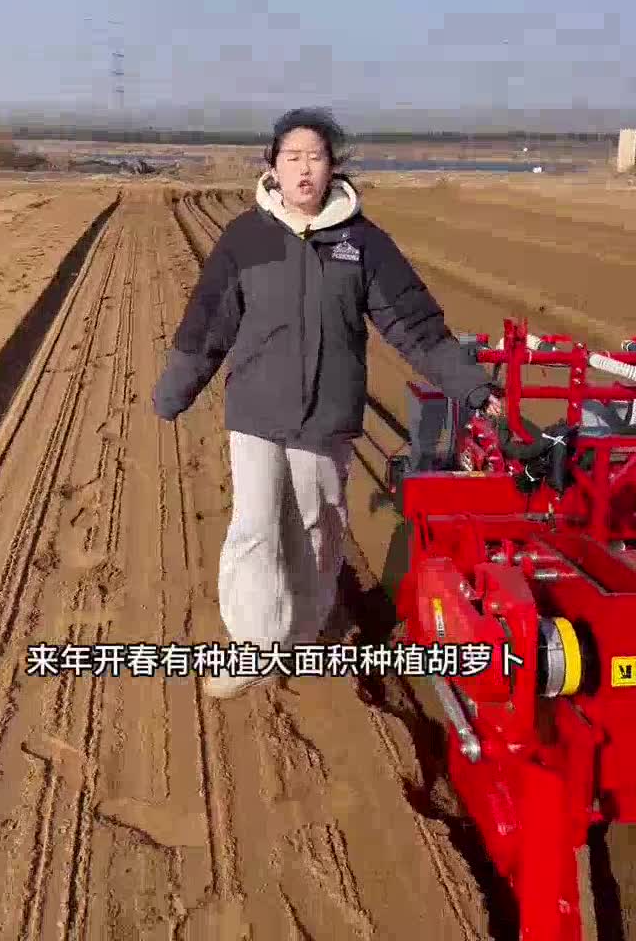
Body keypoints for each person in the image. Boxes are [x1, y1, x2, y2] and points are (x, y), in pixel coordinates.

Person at [152, 107, 500, 699]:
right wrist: (174, 391)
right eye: (292, 157)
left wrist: (472, 386)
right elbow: (208, 323)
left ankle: (302, 634)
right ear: (273, 167)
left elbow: (414, 326)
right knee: (255, 528)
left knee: (317, 529)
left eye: (315, 157)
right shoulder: (246, 238)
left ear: (333, 167)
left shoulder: (362, 243)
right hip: (257, 412)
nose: (304, 168)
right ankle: (253, 645)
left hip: (326, 417)